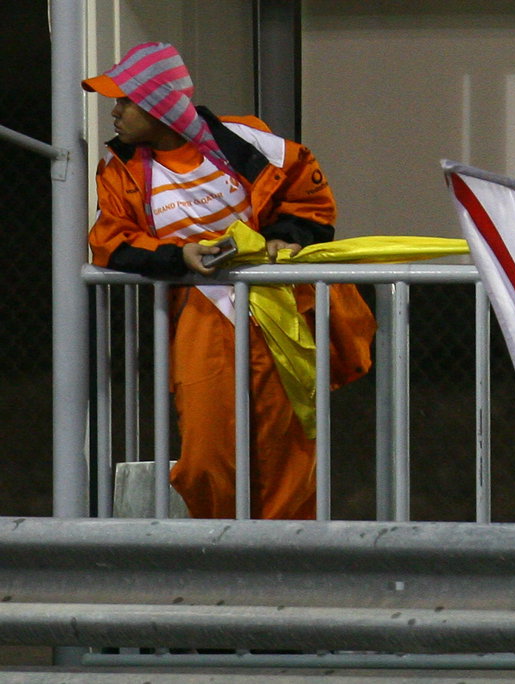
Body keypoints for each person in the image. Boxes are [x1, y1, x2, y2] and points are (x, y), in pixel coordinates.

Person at [85, 41, 376, 520]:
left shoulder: (248, 140)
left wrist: (286, 237)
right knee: (205, 459)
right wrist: (179, 256)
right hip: (204, 316)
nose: (115, 112)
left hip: (281, 312)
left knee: (285, 453)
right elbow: (109, 243)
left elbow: (310, 201)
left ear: (160, 107)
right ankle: (224, 556)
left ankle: (286, 562)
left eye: (125, 101)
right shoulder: (120, 171)